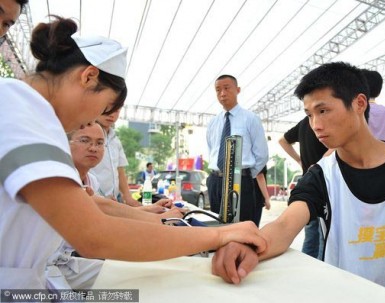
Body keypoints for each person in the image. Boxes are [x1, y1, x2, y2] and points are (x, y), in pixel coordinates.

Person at [0, 16, 266, 290]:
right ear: (89, 77)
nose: (95, 121)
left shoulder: (29, 111)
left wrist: (165, 221)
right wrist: (219, 235)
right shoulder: (20, 108)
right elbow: (95, 235)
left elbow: (91, 210)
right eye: (103, 108)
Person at [211, 62, 385, 296]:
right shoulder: (321, 175)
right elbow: (286, 225)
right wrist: (250, 246)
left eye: (323, 110)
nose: (315, 125)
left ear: (359, 103)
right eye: (309, 115)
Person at [47, 123, 184, 289]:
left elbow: (104, 210)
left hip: (64, 261)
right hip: (43, 269)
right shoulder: (59, 174)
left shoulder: (91, 180)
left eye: (99, 143)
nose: (93, 148)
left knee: (136, 278)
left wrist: (150, 209)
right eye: (85, 141)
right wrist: (158, 219)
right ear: (66, 144)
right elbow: (101, 208)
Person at [206, 75, 269, 222]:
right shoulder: (213, 123)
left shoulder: (251, 119)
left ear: (238, 90)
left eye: (227, 88)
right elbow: (212, 151)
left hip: (241, 181)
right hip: (215, 181)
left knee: (242, 229)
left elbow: (262, 155)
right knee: (217, 230)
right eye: (218, 90)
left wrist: (244, 175)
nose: (222, 93)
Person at [279, 117, 328, 259]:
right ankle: (321, 274)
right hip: (323, 181)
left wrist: (299, 160)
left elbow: (283, 141)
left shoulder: (303, 123)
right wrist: (321, 164)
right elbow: (337, 146)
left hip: (307, 180)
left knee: (311, 234)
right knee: (323, 235)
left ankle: (308, 270)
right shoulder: (325, 122)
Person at [90, 108, 140, 207]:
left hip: (113, 200)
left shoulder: (115, 140)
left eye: (116, 110)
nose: (111, 115)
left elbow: (120, 170)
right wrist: (99, 198)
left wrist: (128, 197)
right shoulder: (84, 132)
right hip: (92, 201)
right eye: (107, 109)